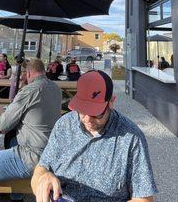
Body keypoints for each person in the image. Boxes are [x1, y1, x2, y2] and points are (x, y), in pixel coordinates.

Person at [31, 70, 157, 202]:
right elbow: (41, 169)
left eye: (96, 114)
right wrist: (43, 177)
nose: (87, 119)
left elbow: (143, 198)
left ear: (111, 102)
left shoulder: (131, 138)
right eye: (82, 110)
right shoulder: (64, 125)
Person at [0, 58, 62, 202]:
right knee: (11, 140)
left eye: (24, 74)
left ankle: (10, 192)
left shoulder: (29, 90)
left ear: (28, 73)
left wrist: (18, 97)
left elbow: (3, 126)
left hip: (33, 155)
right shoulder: (55, 88)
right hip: (51, 151)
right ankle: (15, 196)